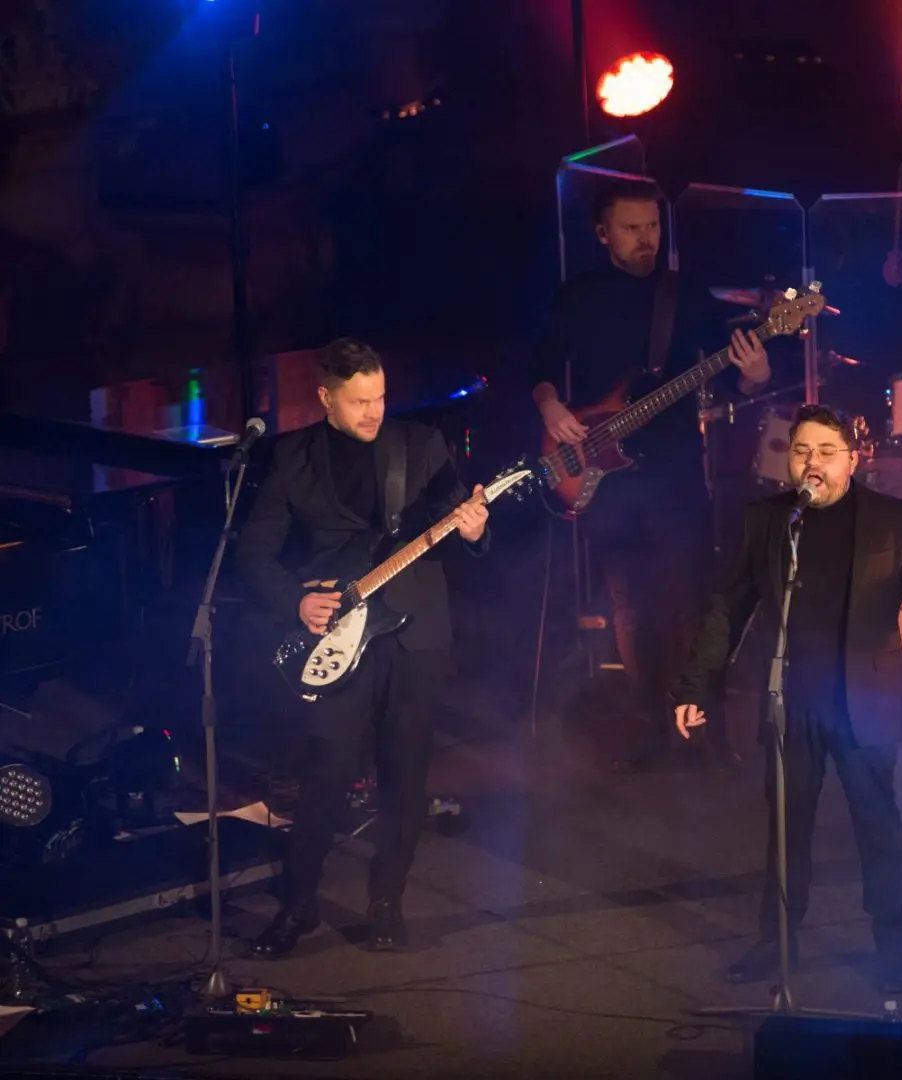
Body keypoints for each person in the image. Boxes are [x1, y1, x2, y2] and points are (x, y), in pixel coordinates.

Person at [671, 404, 902, 993]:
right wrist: (697, 685)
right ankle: (776, 945)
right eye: (801, 451)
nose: (813, 463)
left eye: (827, 452)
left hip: (867, 701)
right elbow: (729, 608)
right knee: (786, 831)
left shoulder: (892, 519)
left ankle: (893, 950)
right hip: (792, 702)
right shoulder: (767, 521)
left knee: (877, 829)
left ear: (852, 459)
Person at [236, 338, 490, 956]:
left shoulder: (419, 445)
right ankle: (299, 905)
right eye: (359, 402)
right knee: (326, 769)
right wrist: (296, 603)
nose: (374, 411)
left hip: (415, 632)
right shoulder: (293, 456)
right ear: (326, 398)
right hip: (338, 633)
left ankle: (386, 903)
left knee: (405, 771)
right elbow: (254, 553)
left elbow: (462, 522)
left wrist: (476, 529)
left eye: (379, 398)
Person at [533, 178, 771, 774]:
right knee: (632, 607)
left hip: (674, 472)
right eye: (633, 228)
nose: (646, 238)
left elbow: (734, 372)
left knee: (697, 601)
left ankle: (706, 732)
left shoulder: (683, 294)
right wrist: (550, 406)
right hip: (605, 476)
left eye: (653, 227)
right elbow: (541, 366)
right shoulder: (577, 296)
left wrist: (756, 375)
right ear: (603, 233)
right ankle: (647, 728)